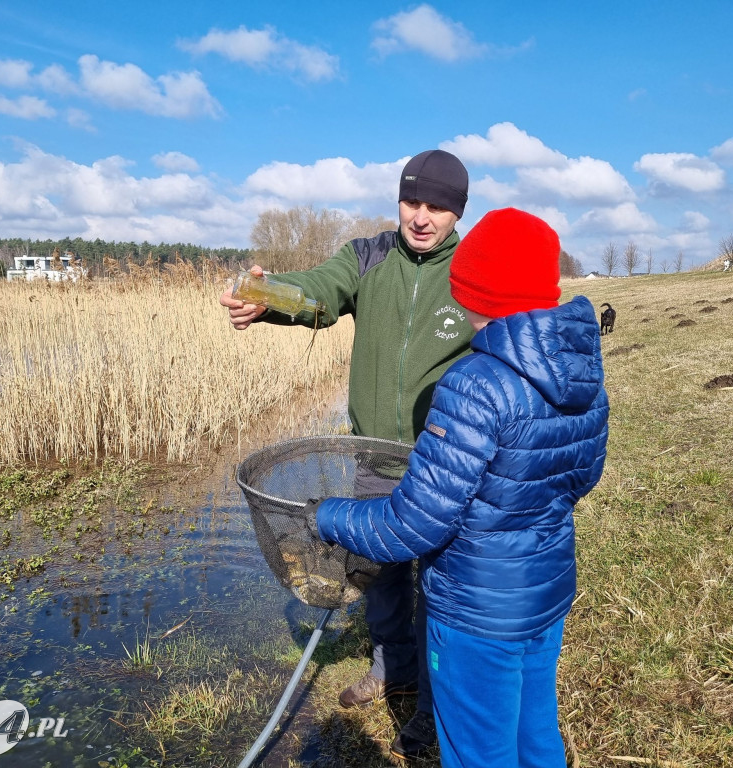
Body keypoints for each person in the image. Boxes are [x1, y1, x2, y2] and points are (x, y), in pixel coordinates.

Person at [310, 208, 610, 767]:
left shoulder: (474, 382)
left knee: (478, 750)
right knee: (535, 731)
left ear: (476, 289)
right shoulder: (581, 372)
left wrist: (329, 516)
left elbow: (414, 523)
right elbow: (583, 476)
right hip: (544, 592)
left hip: (475, 611)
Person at [220, 149, 473, 760]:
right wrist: (270, 296)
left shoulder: (473, 270)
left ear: (456, 212)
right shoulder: (368, 256)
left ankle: (437, 708)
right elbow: (317, 291)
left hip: (445, 465)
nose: (421, 217)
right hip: (372, 458)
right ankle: (393, 669)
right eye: (412, 202)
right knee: (380, 577)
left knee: (441, 589)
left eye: (437, 206)